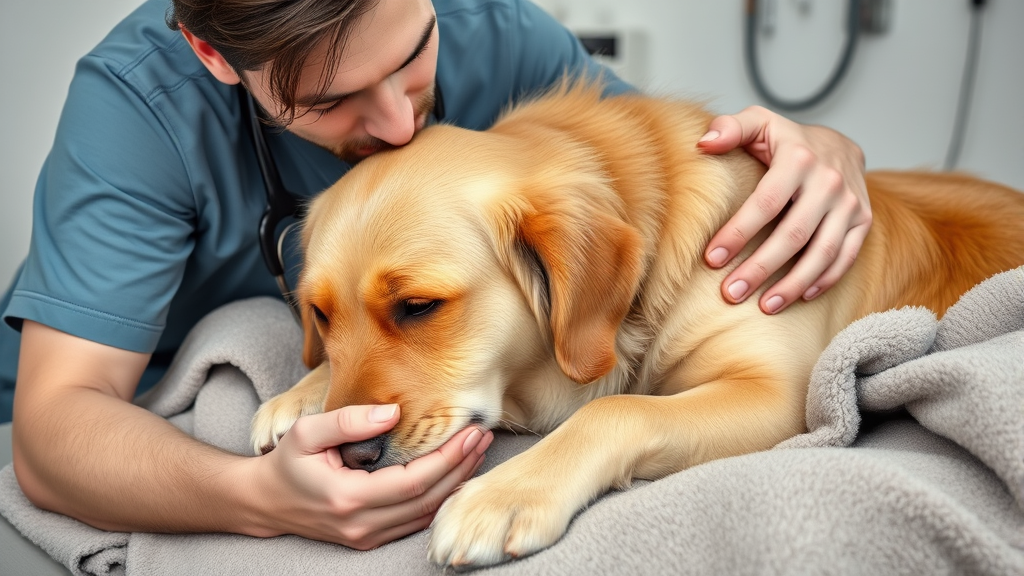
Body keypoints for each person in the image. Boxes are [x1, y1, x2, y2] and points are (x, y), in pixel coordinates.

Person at [0, 0, 871, 550]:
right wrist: (258, 498)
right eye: (331, 101)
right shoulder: (137, 108)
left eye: (411, 55)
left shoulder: (496, 34)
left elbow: (652, 189)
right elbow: (51, 432)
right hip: (118, 405)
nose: (393, 121)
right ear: (215, 58)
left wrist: (822, 152)